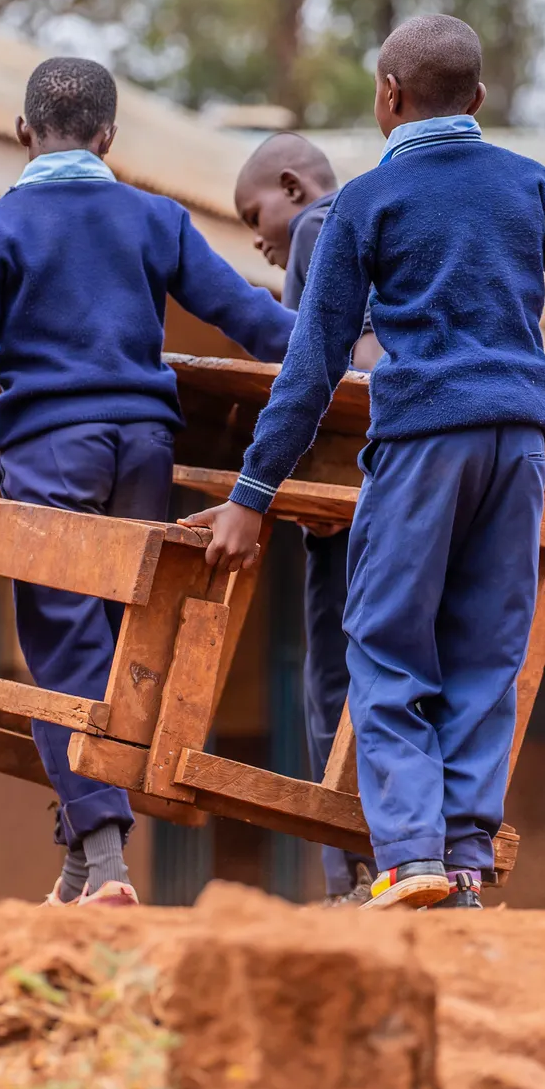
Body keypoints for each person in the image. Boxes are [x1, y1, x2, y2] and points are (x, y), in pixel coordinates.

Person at [188, 16, 545, 910]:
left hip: (419, 447)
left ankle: (408, 855)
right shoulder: (529, 185)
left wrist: (251, 490)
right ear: (476, 100)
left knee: (390, 645)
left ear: (387, 97)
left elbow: (311, 370)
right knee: (485, 650)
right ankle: (465, 860)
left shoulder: (364, 203)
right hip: (517, 446)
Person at [0, 57, 295, 908]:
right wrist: (348, 358)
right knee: (107, 645)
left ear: (23, 134)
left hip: (51, 452)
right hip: (143, 452)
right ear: (109, 138)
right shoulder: (156, 218)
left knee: (63, 647)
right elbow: (248, 315)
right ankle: (76, 864)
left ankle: (106, 862)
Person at [234, 132, 380, 906]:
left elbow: (311, 364)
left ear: (291, 186)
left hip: (345, 493)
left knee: (331, 676)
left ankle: (349, 871)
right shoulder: (383, 224)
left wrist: (269, 486)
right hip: (401, 484)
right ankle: (412, 856)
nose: (255, 236)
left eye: (253, 213)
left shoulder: (322, 227)